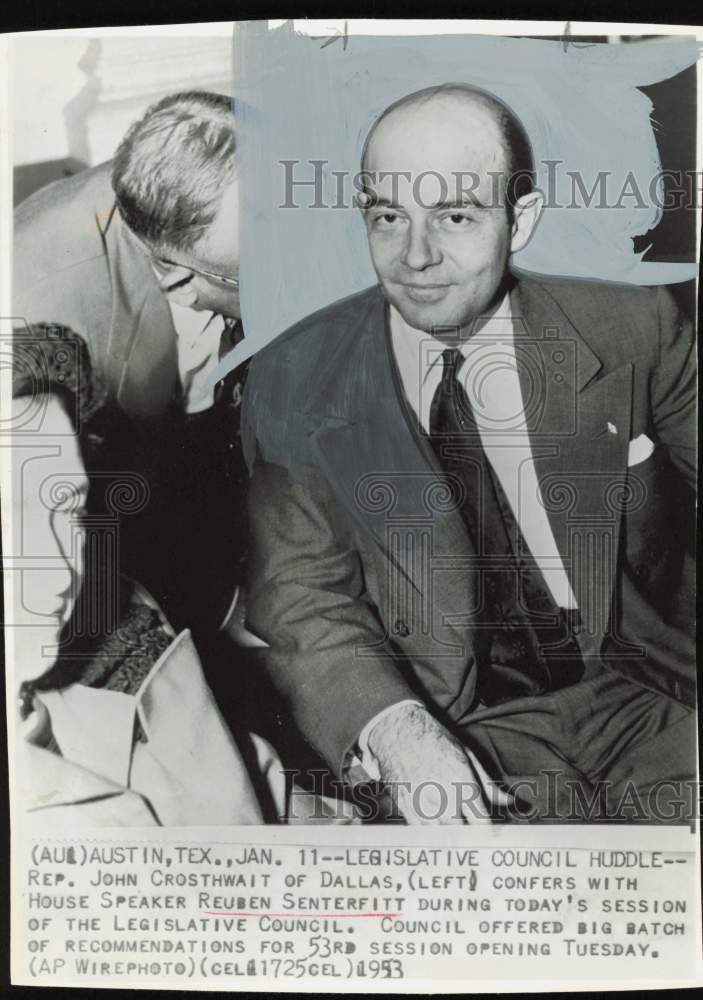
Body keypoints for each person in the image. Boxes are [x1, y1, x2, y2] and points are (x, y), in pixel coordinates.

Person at [242, 84, 696, 824]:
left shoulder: (630, 326)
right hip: (458, 729)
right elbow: (300, 592)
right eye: (387, 216)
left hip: (646, 690)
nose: (415, 256)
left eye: (455, 215)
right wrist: (395, 728)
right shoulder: (299, 374)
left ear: (519, 220)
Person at [8, 325, 357, 827]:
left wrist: (309, 813)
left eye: (67, 506)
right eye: (9, 514)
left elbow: (224, 775)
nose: (60, 564)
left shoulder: (128, 632)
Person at [13, 90, 247, 635]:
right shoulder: (36, 327)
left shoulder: (207, 197)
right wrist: (223, 608)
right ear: (182, 282)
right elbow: (80, 530)